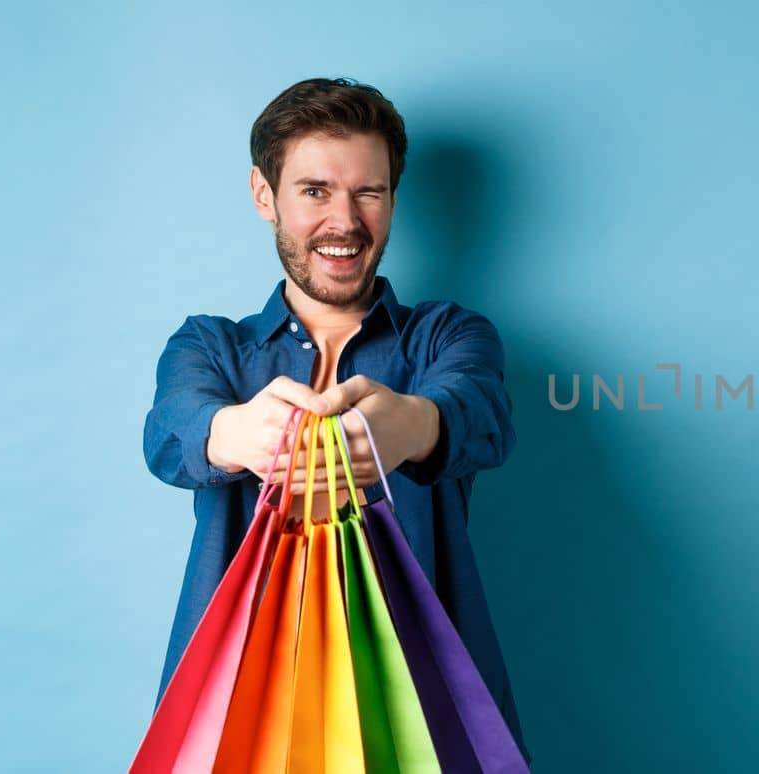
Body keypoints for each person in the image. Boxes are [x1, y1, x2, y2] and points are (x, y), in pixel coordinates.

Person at [141, 77, 532, 765]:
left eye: (369, 192)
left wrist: (409, 424)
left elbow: (479, 411)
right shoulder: (209, 346)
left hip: (427, 704)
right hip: (239, 708)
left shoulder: (445, 335)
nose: (345, 222)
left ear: (392, 200)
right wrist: (235, 434)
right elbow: (173, 428)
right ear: (265, 195)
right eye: (315, 191)